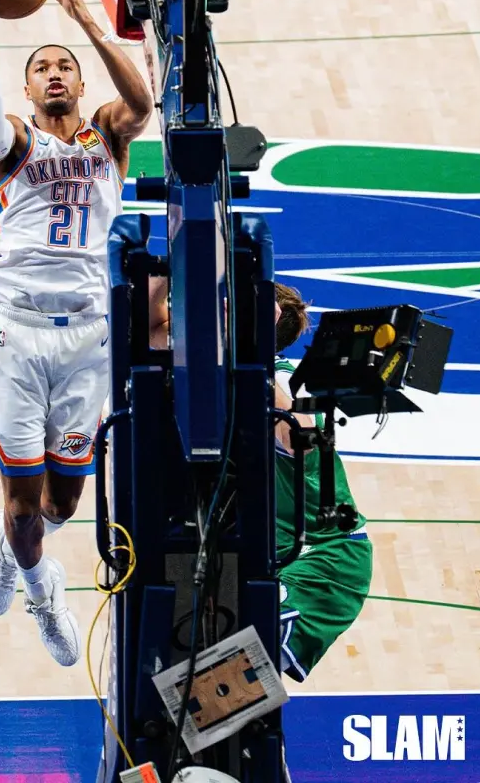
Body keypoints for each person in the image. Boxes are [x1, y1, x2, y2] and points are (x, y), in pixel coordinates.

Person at [0, 0, 152, 666]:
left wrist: (87, 22)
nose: (53, 74)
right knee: (23, 508)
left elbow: (143, 106)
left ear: (78, 81)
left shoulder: (105, 133)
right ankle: (42, 588)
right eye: (41, 66)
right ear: (26, 85)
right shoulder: (17, 138)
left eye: (63, 67)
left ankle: (10, 546)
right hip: (16, 331)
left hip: (87, 337)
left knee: (64, 504)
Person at [149, 279, 372, 681]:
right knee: (185, 670)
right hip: (256, 549)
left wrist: (254, 352)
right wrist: (168, 267)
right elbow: (152, 330)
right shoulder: (218, 364)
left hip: (325, 559)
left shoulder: (282, 382)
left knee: (220, 689)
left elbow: (300, 437)